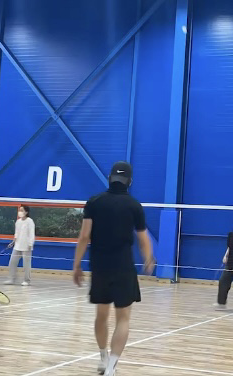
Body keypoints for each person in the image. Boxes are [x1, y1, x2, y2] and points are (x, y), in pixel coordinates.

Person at [72, 161, 154, 376]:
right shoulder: (134, 206)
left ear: (110, 178)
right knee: (123, 318)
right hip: (123, 267)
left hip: (100, 267)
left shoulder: (94, 202)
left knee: (101, 315)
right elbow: (143, 238)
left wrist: (76, 264)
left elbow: (84, 236)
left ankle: (103, 358)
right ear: (130, 181)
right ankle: (111, 368)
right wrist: (148, 258)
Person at [5, 205, 35, 286]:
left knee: (26, 265)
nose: (20, 212)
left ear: (26, 212)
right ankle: (11, 279)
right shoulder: (18, 222)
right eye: (19, 210)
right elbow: (17, 233)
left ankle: (27, 280)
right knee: (12, 262)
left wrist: (30, 244)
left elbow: (31, 233)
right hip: (17, 246)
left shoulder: (30, 221)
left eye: (22, 210)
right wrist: (13, 242)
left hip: (27, 246)